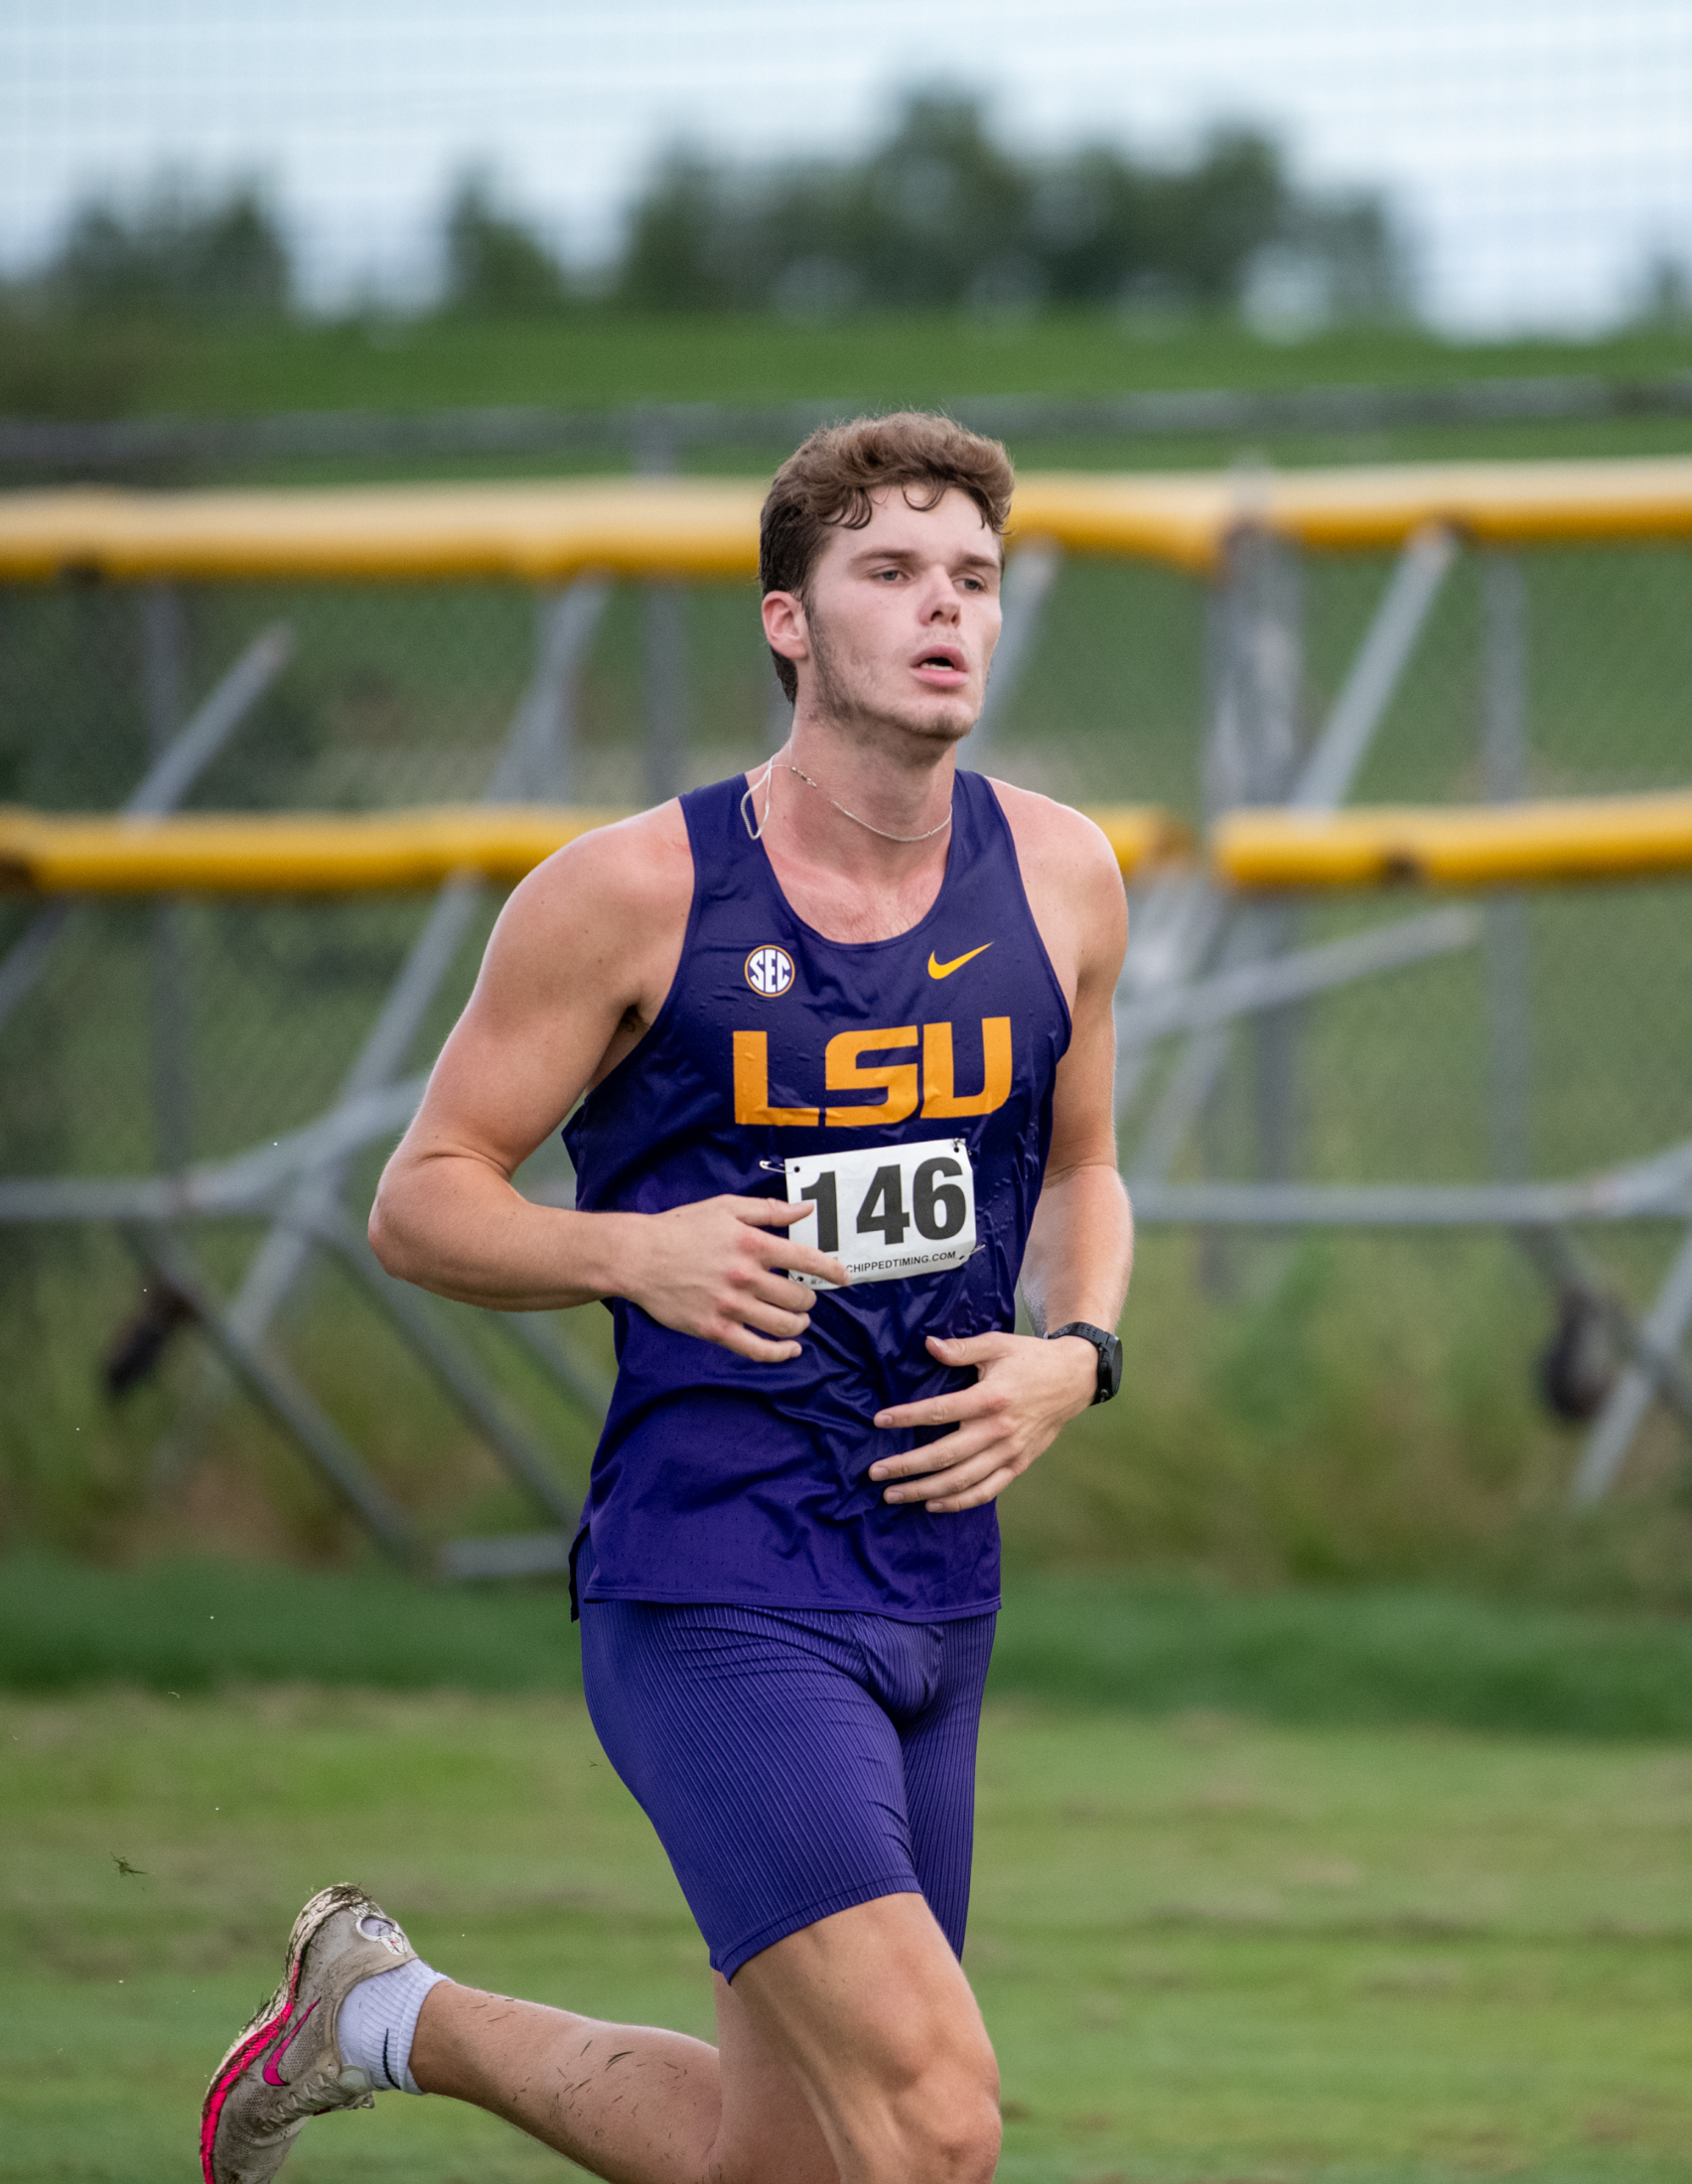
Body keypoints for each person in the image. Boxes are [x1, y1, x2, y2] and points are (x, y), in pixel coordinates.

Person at [200, 410, 1133, 2184]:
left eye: (974, 581)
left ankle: (379, 2017)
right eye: (890, 575)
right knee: (935, 2126)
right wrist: (636, 1249)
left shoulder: (1064, 871)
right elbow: (421, 1204)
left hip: (938, 1581)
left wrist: (1076, 1360)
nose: (945, 611)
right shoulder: (633, 890)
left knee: (794, 2163)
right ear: (789, 619)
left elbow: (1085, 1169)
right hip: (716, 1579)